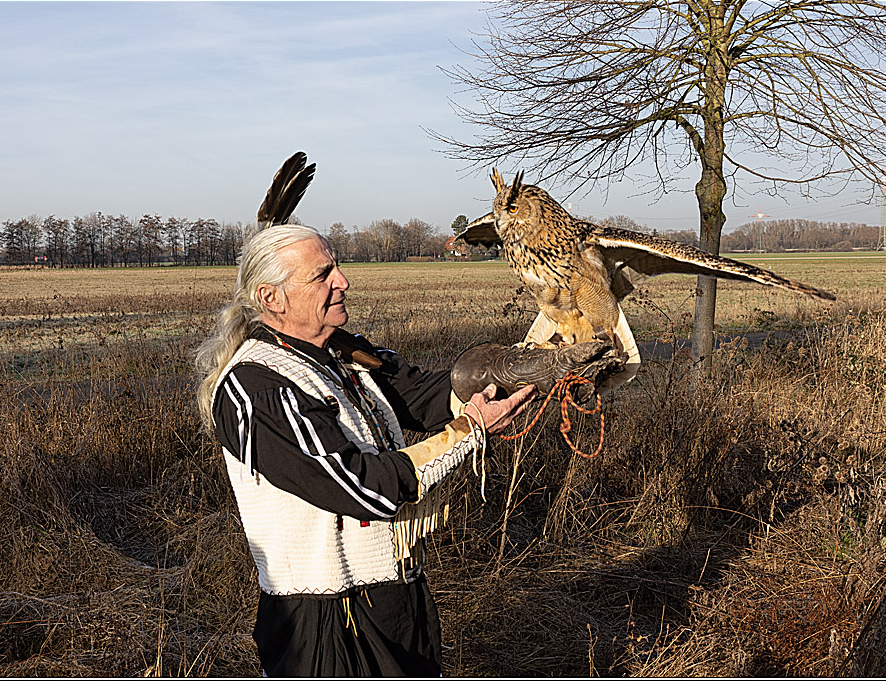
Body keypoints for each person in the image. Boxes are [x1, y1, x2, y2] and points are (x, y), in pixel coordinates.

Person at [195, 224, 620, 676]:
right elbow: (360, 487)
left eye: (336, 266)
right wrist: (469, 431)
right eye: (323, 275)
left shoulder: (341, 353)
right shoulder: (257, 388)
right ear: (272, 299)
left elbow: (427, 395)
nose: (343, 280)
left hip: (397, 598)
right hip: (322, 621)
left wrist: (536, 366)